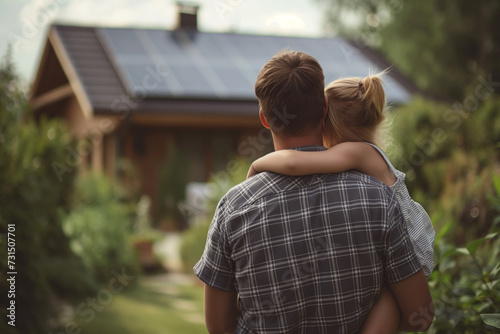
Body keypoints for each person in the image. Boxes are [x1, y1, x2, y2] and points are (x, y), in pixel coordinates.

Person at [194, 50, 434, 334]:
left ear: (265, 118)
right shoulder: (379, 198)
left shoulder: (234, 206)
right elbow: (421, 314)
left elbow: (219, 328)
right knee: (391, 298)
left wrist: (255, 169)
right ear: (323, 109)